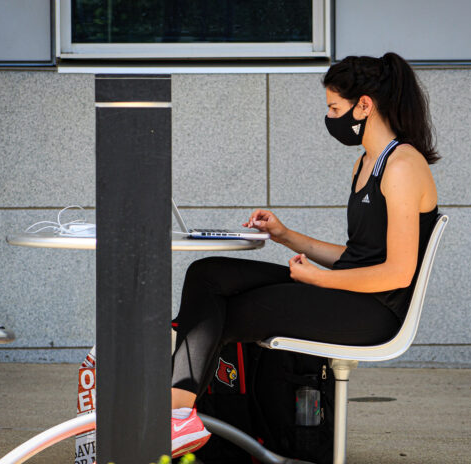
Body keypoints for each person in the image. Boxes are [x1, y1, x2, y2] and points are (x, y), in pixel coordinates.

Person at [169, 51, 440, 457]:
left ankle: (175, 419)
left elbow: (399, 273)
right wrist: (284, 235)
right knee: (208, 273)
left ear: (364, 105)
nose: (331, 118)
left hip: (375, 312)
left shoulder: (402, 166)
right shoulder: (365, 163)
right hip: (348, 294)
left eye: (335, 108)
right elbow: (358, 257)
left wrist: (319, 278)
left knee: (232, 312)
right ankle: (180, 418)